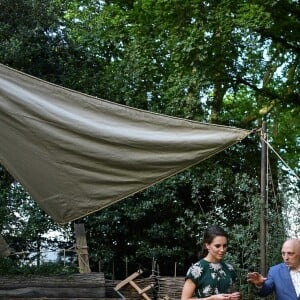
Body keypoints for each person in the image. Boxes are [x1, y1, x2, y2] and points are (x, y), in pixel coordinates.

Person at [181, 225, 240, 300]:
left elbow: (232, 293)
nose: (222, 250)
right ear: (207, 245)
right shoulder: (196, 270)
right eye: (217, 246)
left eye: (224, 246)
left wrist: (234, 297)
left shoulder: (229, 268)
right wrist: (211, 299)